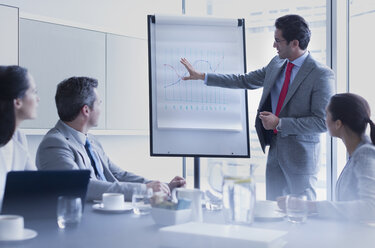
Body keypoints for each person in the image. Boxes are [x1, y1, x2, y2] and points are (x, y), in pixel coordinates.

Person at [180, 14, 334, 200]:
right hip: (275, 150)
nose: (274, 45)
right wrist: (202, 76)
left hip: (301, 156)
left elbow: (321, 122)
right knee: (273, 209)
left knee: (302, 212)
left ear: (294, 43)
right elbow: (243, 80)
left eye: (278, 41)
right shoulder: (276, 64)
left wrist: (280, 123)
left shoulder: (321, 74)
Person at [36, 76, 186, 201]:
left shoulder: (92, 141)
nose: (101, 109)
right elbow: (82, 186)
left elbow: (118, 175)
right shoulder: (54, 144)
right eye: (99, 103)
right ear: (86, 110)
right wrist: (144, 190)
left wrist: (164, 187)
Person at [278, 93, 375, 221]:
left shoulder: (365, 154)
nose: (325, 119)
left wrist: (308, 206)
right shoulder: (356, 152)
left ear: (338, 123)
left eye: (327, 114)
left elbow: (370, 208)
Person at [0, 65, 39, 208]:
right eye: (34, 92)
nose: (38, 99)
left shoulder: (19, 137)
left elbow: (36, 183)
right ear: (17, 101)